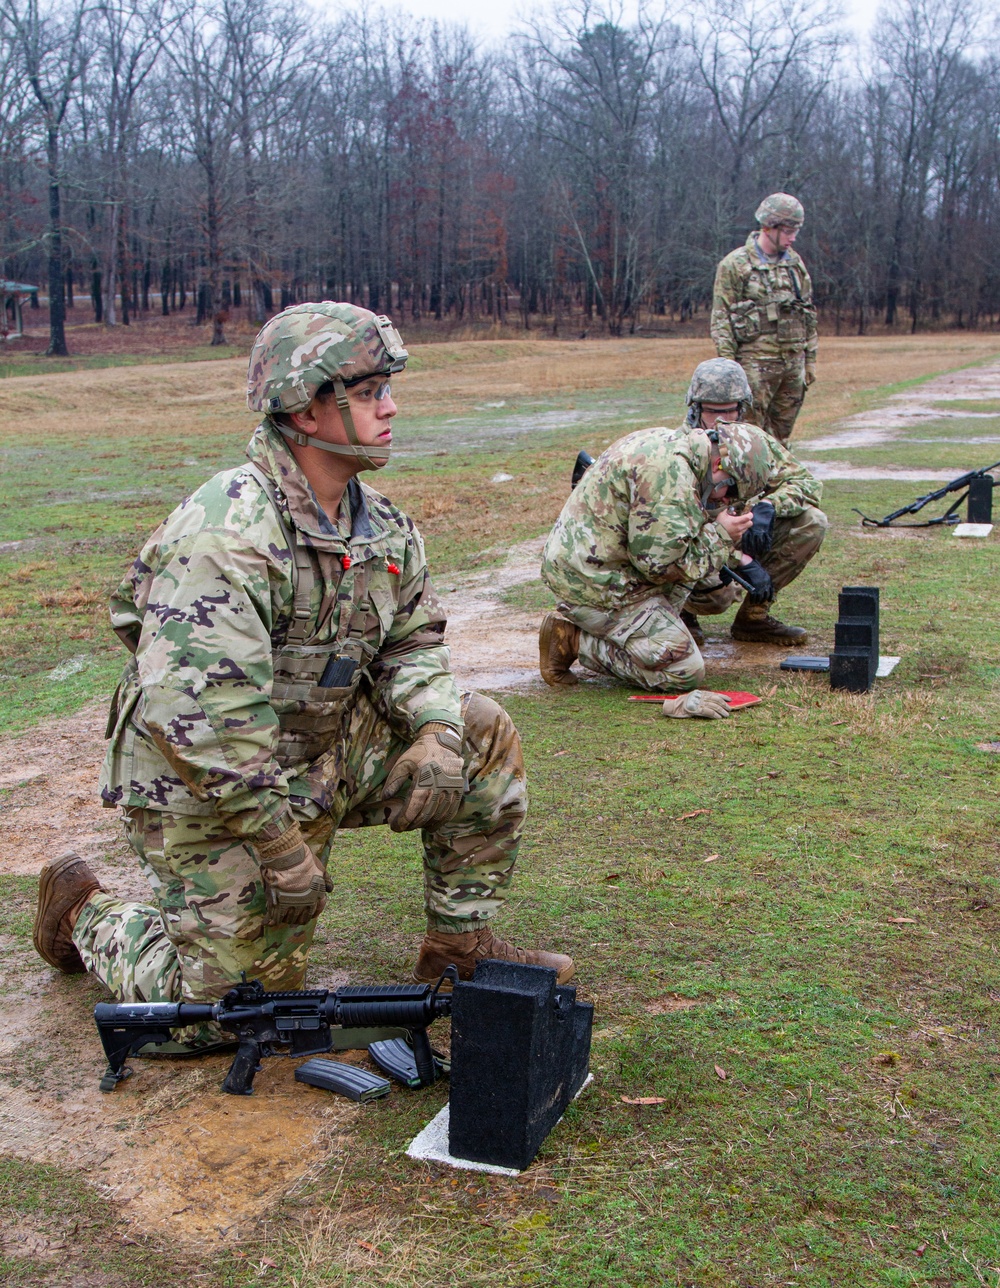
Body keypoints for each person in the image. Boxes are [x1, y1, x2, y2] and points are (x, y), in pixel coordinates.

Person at [33, 302, 573, 1037]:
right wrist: (279, 846)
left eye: (387, 388)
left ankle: (460, 949)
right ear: (307, 408)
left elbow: (412, 642)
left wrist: (435, 733)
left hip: (315, 751)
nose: (391, 407)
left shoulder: (379, 524)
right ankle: (84, 913)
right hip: (202, 781)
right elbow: (205, 723)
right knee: (231, 1016)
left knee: (479, 732)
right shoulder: (229, 531)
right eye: (368, 392)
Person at [537, 359, 828, 708]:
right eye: (729, 491)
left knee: (690, 605)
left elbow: (675, 544)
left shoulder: (689, 451)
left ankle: (648, 629)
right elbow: (658, 567)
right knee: (684, 671)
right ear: (720, 464)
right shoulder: (671, 476)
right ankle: (573, 639)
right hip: (595, 581)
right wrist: (722, 537)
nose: (726, 500)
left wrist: (745, 534)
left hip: (610, 565)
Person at [710, 193, 817, 444]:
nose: (793, 238)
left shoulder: (794, 264)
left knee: (780, 440)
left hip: (791, 366)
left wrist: (810, 360)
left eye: (796, 231)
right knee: (748, 439)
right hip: (754, 369)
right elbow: (721, 319)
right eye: (789, 231)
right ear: (769, 227)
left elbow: (808, 313)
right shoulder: (735, 265)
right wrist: (729, 369)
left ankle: (779, 483)